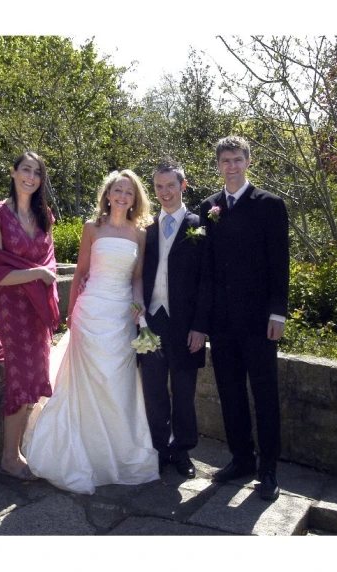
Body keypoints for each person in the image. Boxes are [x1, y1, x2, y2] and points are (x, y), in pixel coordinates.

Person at [23, 170, 160, 495]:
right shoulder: (91, 228)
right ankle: (81, 453)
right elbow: (81, 271)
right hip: (90, 313)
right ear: (108, 194)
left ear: (134, 198)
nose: (123, 196)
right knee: (84, 386)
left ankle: (117, 454)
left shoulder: (139, 232)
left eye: (129, 192)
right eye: (118, 190)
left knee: (117, 385)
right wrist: (71, 317)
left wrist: (139, 307)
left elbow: (137, 277)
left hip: (121, 315)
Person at [199, 136, 290, 501]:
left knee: (265, 394)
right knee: (230, 391)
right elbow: (206, 270)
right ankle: (241, 459)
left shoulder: (269, 205)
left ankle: (268, 469)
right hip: (222, 322)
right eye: (225, 160)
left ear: (248, 162)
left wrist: (278, 311)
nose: (231, 166)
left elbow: (279, 262)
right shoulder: (209, 206)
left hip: (258, 320)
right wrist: (202, 320)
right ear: (218, 165)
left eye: (237, 159)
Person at [0, 151, 59, 481]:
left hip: (37, 309)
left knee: (34, 381)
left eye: (37, 172)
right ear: (12, 172)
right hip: (13, 310)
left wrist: (42, 276)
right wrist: (38, 273)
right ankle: (8, 458)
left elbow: (51, 265)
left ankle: (19, 451)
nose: (31, 176)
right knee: (19, 379)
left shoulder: (45, 216)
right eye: (25, 169)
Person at [139, 158, 211, 479]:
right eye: (159, 186)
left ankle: (182, 451)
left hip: (185, 327)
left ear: (183, 186)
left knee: (183, 394)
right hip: (149, 323)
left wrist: (200, 327)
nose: (165, 192)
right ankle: (158, 449)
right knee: (152, 392)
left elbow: (207, 282)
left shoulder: (200, 226)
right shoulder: (145, 229)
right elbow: (134, 277)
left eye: (171, 185)